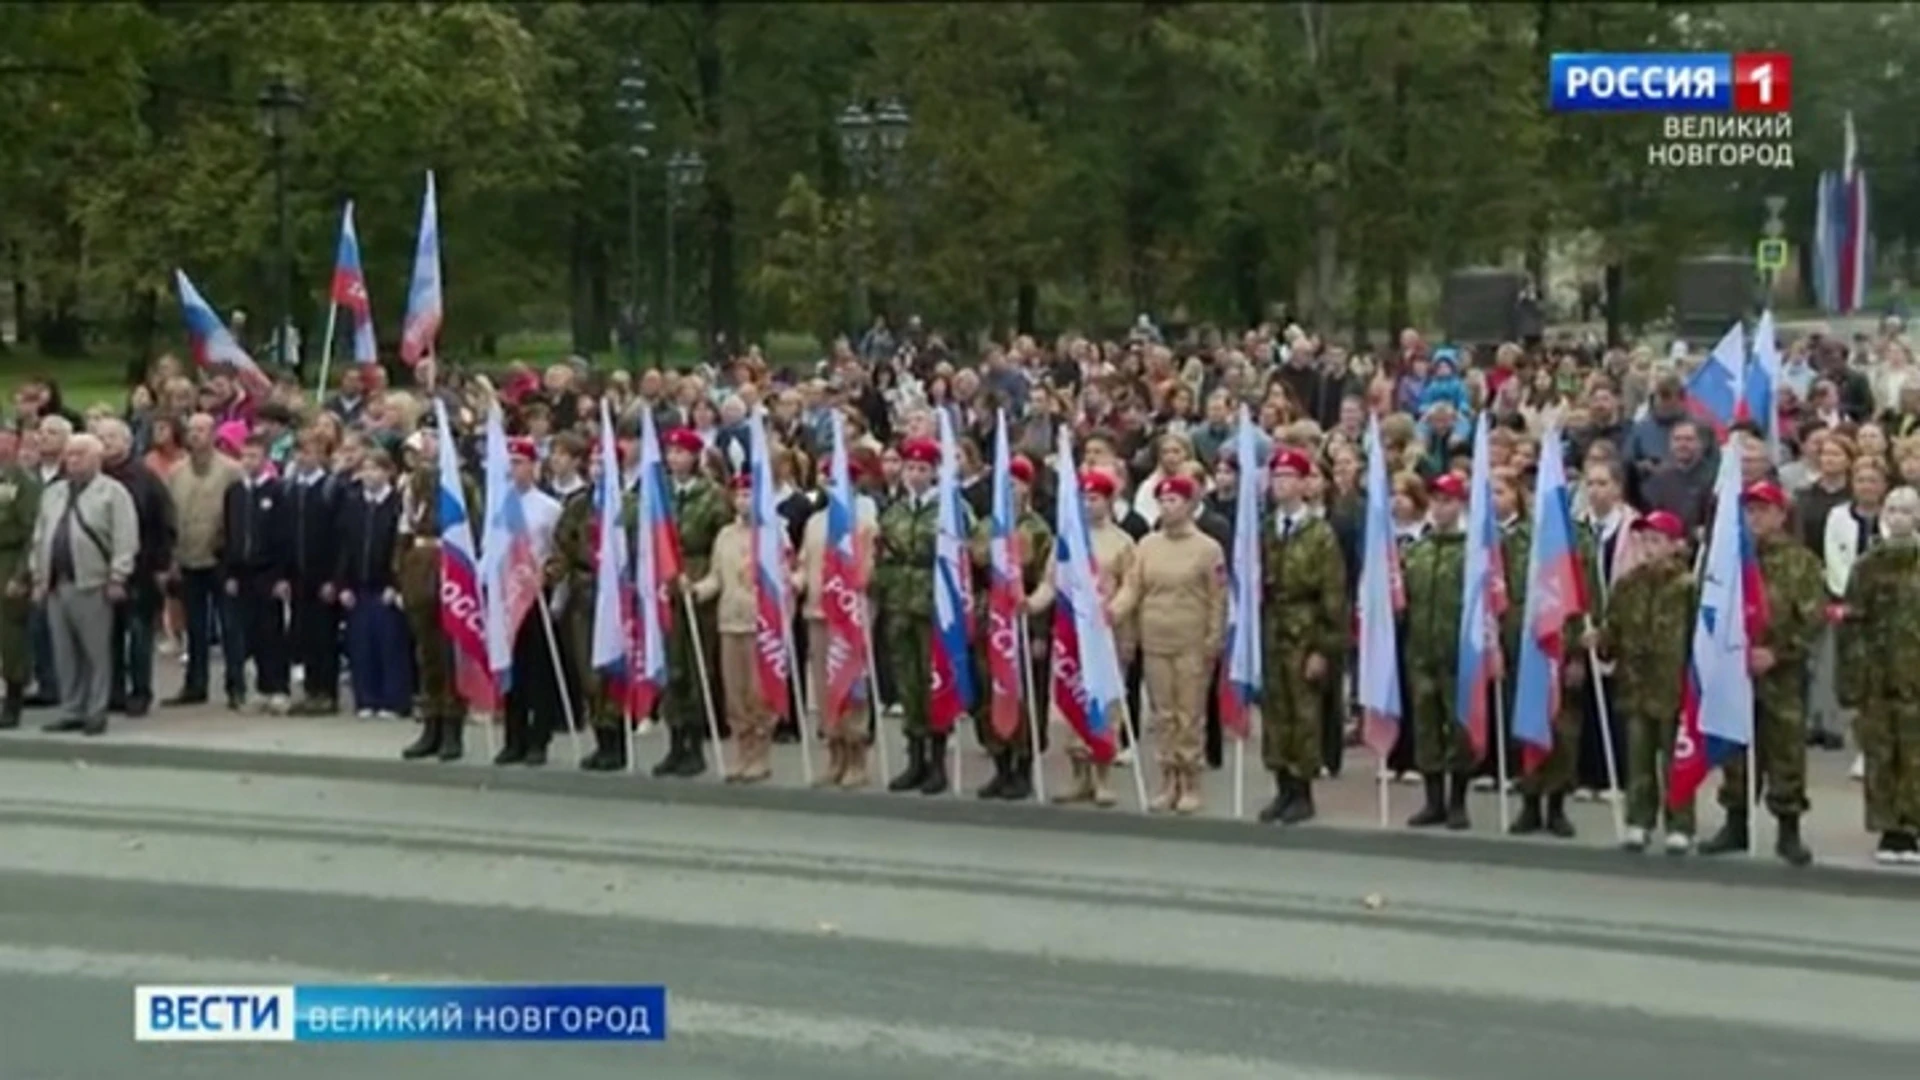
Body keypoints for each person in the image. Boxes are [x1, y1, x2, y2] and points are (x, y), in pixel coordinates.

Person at [1699, 481, 1823, 866]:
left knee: (1785, 749)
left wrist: (1778, 652)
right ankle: (1735, 823)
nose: (1756, 517)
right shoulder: (1729, 558)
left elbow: (1812, 619)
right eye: (1750, 510)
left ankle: (1789, 830)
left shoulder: (1801, 562)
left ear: (1780, 515)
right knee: (1736, 749)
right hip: (1735, 671)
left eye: (1763, 510)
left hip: (1780, 674)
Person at [1109, 473, 1226, 815]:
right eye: (1162, 500)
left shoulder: (1208, 549)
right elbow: (1133, 587)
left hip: (1191, 641)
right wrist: (1113, 611)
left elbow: (1218, 598)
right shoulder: (1147, 545)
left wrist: (1213, 639)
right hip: (1155, 639)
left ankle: (1190, 780)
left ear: (1190, 505)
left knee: (1188, 714)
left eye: (1174, 500)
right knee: (1162, 714)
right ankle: (1167, 779)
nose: (1167, 506)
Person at [1590, 510, 1695, 853]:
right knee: (1638, 757)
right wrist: (1601, 640)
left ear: (1675, 545)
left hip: (1674, 686)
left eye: (1656, 540)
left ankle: (1680, 824)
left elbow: (1699, 639)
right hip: (1635, 684)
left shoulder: (1687, 588)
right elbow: (1615, 632)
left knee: (1675, 760)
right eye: (1644, 540)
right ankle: (1639, 820)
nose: (1649, 547)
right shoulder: (1627, 585)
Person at [1254, 448, 1347, 825]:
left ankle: (1303, 790)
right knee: (1276, 711)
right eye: (1276, 478)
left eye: (1289, 477)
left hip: (1305, 628)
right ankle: (1282, 786)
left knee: (1304, 712)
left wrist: (1323, 648)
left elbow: (1333, 594)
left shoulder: (1319, 533)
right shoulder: (1264, 529)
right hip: (1273, 625)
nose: (1281, 485)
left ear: (1305, 484)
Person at [29, 433, 138, 736]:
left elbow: (125, 538)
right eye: (69, 454)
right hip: (56, 582)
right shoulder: (54, 493)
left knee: (96, 651)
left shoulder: (113, 493)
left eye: (79, 454)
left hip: (92, 582)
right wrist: (38, 576)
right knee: (63, 651)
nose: (72, 460)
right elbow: (40, 536)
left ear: (96, 458)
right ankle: (71, 708)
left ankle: (96, 710)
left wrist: (118, 575)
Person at [1838, 484, 1920, 864]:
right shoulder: (1867, 566)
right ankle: (1891, 829)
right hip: (1878, 676)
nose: (1900, 515)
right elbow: (1852, 624)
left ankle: (1914, 825)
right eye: (1893, 509)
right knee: (1882, 753)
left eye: (1907, 509)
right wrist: (1852, 682)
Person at [966, 453, 1054, 801]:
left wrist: (1039, 632)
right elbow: (973, 567)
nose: (1010, 489)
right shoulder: (985, 526)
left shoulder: (1038, 529)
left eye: (1016, 483)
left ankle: (1023, 767)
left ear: (1027, 487)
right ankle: (1000, 764)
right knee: (990, 692)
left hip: (1023, 616)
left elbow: (1046, 582)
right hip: (991, 618)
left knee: (1026, 697)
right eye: (1005, 483)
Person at [793, 455, 879, 788]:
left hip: (849, 615)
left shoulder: (864, 520)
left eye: (838, 479)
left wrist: (857, 586)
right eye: (827, 480)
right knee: (825, 685)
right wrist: (795, 580)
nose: (831, 486)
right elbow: (804, 560)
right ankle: (834, 753)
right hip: (818, 611)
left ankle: (857, 755)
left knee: (852, 684)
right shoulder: (816, 522)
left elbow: (870, 563)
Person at [1052, 469, 1134, 807]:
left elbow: (1132, 585)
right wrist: (1029, 601)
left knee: (1104, 707)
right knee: (1073, 703)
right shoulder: (1067, 540)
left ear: (1109, 501)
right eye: (1084, 498)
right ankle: (1078, 776)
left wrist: (1115, 610)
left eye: (1095, 498)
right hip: (1073, 635)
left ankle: (1103, 778)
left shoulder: (1122, 542)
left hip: (1105, 635)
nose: (1089, 504)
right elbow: (1051, 582)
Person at [687, 475, 777, 782]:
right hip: (730, 621)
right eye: (739, 494)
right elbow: (716, 577)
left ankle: (761, 753)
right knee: (734, 691)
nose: (743, 500)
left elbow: (783, 577)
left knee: (758, 691)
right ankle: (742, 749)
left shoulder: (773, 533)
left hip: (761, 624)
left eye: (749, 494)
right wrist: (696, 590)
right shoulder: (725, 534)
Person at [397, 426, 476, 763]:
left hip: (449, 563)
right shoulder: (410, 486)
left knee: (449, 653)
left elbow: (471, 526)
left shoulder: (462, 486)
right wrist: (400, 573)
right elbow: (404, 529)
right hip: (419, 565)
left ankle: (452, 727)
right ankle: (430, 723)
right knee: (426, 653)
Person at [656, 426, 730, 778]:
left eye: (681, 453)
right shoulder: (660, 495)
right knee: (673, 666)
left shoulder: (713, 495)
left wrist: (704, 580)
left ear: (695, 457)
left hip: (698, 578)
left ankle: (696, 742)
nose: (674, 459)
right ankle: (674, 739)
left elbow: (723, 541)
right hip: (666, 582)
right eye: (670, 453)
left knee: (698, 663)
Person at [1402, 473, 1473, 829]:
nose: (1441, 507)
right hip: (1422, 652)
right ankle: (1433, 800)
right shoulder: (1418, 551)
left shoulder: (1472, 551)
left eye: (1448, 501)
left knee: (1460, 729)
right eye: (1436, 501)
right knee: (1427, 725)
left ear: (1460, 504)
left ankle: (1458, 800)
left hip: (1459, 655)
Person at [877, 436, 946, 795]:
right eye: (910, 468)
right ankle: (914, 758)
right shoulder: (894, 512)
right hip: (900, 606)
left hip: (932, 607)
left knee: (932, 682)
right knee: (907, 682)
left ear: (934, 473)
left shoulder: (949, 509)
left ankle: (938, 761)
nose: (915, 474)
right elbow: (882, 556)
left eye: (923, 468)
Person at [492, 438, 566, 767]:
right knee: (511, 670)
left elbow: (557, 552)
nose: (514, 468)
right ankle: (513, 737)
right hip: (506, 595)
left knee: (537, 672)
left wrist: (549, 583)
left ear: (534, 467)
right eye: (510, 462)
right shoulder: (498, 505)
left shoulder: (549, 507)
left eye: (520, 461)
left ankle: (539, 738)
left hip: (535, 594)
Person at [164, 413, 243, 707]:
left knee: (230, 625)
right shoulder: (175, 472)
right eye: (192, 430)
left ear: (213, 434)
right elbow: (170, 516)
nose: (196, 435)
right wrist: (171, 556)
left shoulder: (231, 471)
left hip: (220, 558)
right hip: (187, 555)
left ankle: (236, 685)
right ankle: (195, 684)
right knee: (194, 626)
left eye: (202, 429)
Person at [96, 418, 171, 718]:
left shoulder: (145, 478)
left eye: (112, 437)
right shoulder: (92, 476)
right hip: (100, 569)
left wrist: (162, 565)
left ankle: (140, 691)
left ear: (128, 442)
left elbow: (163, 523)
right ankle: (113, 690)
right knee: (108, 635)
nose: (107, 442)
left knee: (139, 633)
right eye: (101, 437)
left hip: (141, 568)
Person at [334, 449, 410, 719]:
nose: (370, 474)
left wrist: (396, 584)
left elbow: (401, 549)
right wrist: (342, 584)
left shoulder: (397, 505)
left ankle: (393, 700)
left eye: (376, 469)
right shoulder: (353, 504)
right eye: (366, 469)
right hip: (358, 586)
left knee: (389, 645)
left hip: (385, 588)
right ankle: (366, 698)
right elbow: (343, 547)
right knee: (360, 645)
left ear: (388, 472)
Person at [222, 434, 291, 712]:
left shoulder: (277, 492)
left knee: (271, 632)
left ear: (265, 460)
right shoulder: (235, 493)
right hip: (242, 573)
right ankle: (257, 688)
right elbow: (228, 533)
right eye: (245, 456)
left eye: (254, 456)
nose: (248, 462)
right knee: (246, 631)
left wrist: (281, 576)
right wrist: (229, 573)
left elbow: (284, 537)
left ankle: (277, 686)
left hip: (269, 574)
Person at [282, 428, 347, 714]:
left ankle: (326, 692)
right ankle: (310, 689)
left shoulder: (331, 490)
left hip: (323, 575)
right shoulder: (291, 489)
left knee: (324, 636)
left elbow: (342, 537)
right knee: (303, 634)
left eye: (309, 452)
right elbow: (282, 535)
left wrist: (335, 578)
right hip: (298, 575)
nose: (303, 458)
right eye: (299, 452)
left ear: (322, 456)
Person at [0, 430, 42, 727]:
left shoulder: (23, 483)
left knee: (10, 635)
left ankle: (14, 698)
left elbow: (32, 532)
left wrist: (21, 574)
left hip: (9, 558)